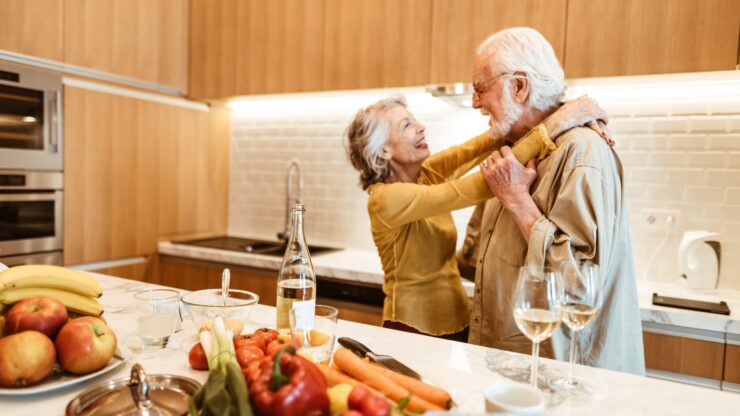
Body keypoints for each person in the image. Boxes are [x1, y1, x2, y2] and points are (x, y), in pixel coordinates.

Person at [343, 94, 608, 341]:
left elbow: (483, 144)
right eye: (406, 125)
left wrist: (560, 110)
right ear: (383, 151)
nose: (420, 127)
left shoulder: (427, 172)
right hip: (411, 328)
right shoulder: (385, 199)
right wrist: (555, 124)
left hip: (458, 320)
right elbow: (480, 185)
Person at [466, 27, 644, 375]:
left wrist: (518, 200)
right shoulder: (509, 152)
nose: (474, 102)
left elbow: (580, 284)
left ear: (519, 86)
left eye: (480, 88)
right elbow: (477, 262)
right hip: (510, 371)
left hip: (564, 379)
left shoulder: (582, 151)